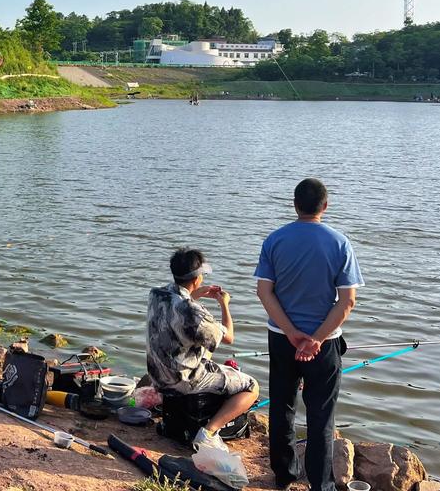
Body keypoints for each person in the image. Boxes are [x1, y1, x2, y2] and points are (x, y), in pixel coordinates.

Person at [254, 179, 364, 491]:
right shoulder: (340, 243)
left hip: (281, 338)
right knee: (321, 415)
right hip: (325, 344)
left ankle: (285, 476)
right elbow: (348, 301)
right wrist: (315, 339)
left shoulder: (275, 240)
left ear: (295, 204)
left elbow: (264, 291)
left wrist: (290, 332)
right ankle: (320, 485)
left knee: (282, 407)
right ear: (325, 206)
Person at [147, 248, 259, 450]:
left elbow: (178, 308)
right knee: (251, 386)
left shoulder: (156, 294)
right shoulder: (193, 312)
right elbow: (229, 337)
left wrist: (193, 295)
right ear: (197, 278)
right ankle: (208, 432)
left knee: (206, 352)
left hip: (158, 376)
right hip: (182, 381)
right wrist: (224, 304)